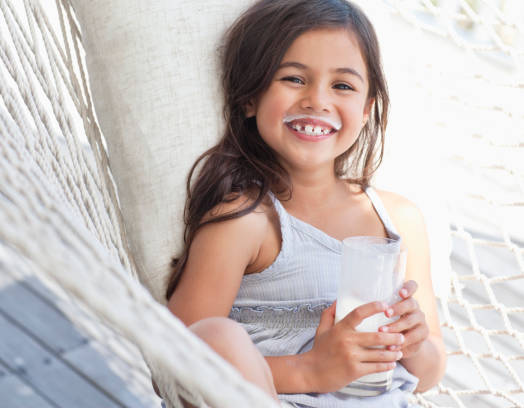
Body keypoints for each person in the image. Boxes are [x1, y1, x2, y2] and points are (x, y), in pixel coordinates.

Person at [165, 0, 446, 406]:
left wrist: (415, 344)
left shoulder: (397, 221)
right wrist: (313, 369)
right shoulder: (246, 221)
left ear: (366, 109)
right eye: (294, 79)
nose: (317, 100)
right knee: (215, 337)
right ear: (249, 98)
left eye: (343, 86)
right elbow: (173, 356)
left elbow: (429, 375)